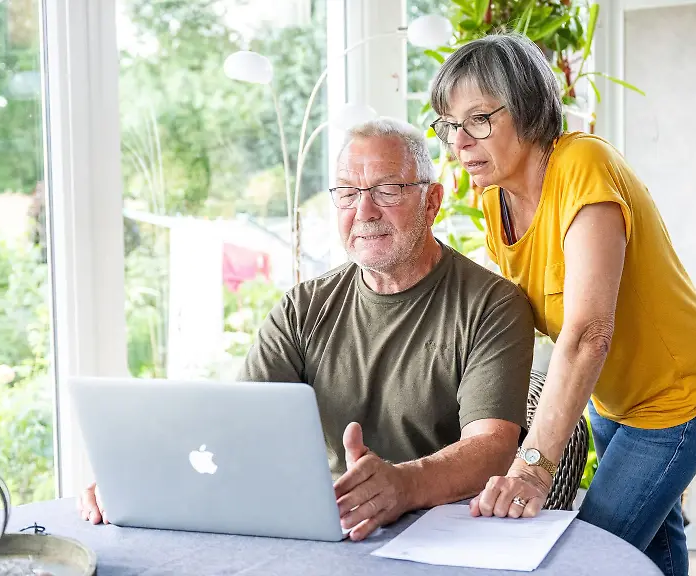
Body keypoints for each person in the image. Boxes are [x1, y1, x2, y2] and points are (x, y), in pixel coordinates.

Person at [79, 118, 537, 542]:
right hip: (324, 531)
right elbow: (238, 426)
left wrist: (405, 484)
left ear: (432, 201)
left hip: (443, 538)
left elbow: (491, 449)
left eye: (388, 189)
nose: (365, 211)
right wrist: (143, 475)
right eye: (347, 193)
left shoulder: (492, 305)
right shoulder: (303, 308)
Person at [428, 33, 696, 576]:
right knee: (655, 544)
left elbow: (589, 330)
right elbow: (521, 312)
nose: (459, 142)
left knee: (592, 554)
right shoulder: (495, 196)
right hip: (611, 397)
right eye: (449, 126)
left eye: (477, 119)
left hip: (677, 392)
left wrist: (534, 467)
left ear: (525, 106)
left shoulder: (582, 165)